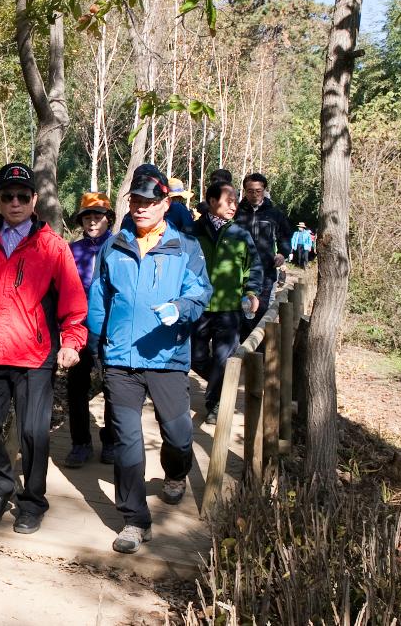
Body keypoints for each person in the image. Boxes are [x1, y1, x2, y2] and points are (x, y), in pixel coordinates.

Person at [0, 162, 89, 534]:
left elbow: (74, 303)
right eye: (8, 196)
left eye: (22, 196)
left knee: (33, 433)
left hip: (35, 355)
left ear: (34, 200)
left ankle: (33, 503)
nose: (15, 202)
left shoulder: (52, 247)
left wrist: (72, 341)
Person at [86, 163, 211, 555]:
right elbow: (99, 296)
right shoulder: (115, 244)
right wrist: (96, 342)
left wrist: (181, 308)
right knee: (127, 441)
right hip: (121, 360)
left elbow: (200, 293)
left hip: (167, 357)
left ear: (165, 204)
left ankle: (176, 473)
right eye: (136, 201)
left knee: (178, 434)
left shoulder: (185, 247)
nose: (141, 208)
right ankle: (135, 520)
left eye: (150, 201)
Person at [191, 182, 263, 424]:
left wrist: (252, 293)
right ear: (212, 202)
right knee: (196, 357)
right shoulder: (192, 233)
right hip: (198, 308)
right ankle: (219, 385)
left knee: (223, 358)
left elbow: (253, 267)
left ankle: (214, 404)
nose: (234, 206)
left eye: (235, 201)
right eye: (229, 201)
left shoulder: (240, 235)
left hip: (230, 310)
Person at [64, 192, 116, 468]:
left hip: (110, 327)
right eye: (88, 217)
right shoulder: (73, 250)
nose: (93, 221)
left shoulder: (119, 247)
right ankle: (80, 443)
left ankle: (110, 441)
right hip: (78, 328)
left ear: (108, 219)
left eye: (98, 216)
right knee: (76, 386)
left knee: (112, 386)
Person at [235, 173, 293, 332]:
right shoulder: (236, 213)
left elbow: (286, 235)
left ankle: (255, 349)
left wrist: (282, 253)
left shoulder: (274, 214)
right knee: (240, 310)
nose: (254, 194)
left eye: (258, 191)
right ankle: (241, 349)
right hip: (239, 270)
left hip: (266, 269)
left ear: (264, 190)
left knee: (261, 309)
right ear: (245, 191)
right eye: (250, 191)